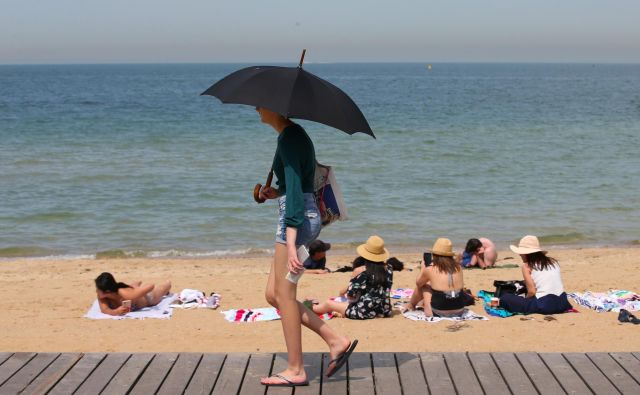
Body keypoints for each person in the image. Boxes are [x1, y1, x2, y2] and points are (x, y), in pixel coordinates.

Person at [255, 107, 356, 386]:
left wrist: (290, 243)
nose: (255, 108)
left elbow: (298, 190)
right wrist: (275, 191)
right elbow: (293, 184)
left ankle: (297, 369)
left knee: (285, 297)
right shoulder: (292, 135)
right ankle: (335, 339)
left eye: (259, 103)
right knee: (273, 295)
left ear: (273, 107)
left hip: (295, 220)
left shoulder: (289, 138)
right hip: (296, 215)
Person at [312, 235, 393, 319]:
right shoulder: (389, 268)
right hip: (384, 310)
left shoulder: (361, 271)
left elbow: (351, 295)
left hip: (364, 311)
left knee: (329, 304)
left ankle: (312, 307)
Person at [499, 235, 572, 315]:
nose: (519, 255)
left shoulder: (527, 266)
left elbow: (532, 292)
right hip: (563, 302)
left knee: (505, 298)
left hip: (546, 305)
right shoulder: (553, 262)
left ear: (526, 253)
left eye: (521, 253)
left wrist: (525, 300)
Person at [403, 238, 466, 317]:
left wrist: (423, 268)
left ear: (435, 255)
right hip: (459, 310)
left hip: (437, 312)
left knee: (424, 286)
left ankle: (411, 305)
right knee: (437, 287)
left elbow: (418, 283)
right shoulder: (458, 267)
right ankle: (417, 303)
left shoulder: (430, 269)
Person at [94, 272, 171, 315]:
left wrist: (137, 291)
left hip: (147, 299)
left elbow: (151, 286)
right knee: (131, 289)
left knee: (164, 288)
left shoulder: (126, 294)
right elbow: (104, 309)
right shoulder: (103, 296)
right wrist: (115, 312)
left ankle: (168, 283)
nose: (96, 291)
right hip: (131, 292)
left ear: (107, 291)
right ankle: (134, 285)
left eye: (98, 289)